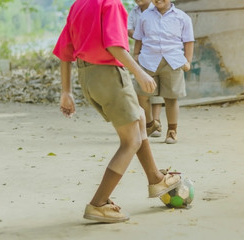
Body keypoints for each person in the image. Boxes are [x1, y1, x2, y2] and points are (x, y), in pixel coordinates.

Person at [53, 0, 181, 223]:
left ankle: (155, 178)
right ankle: (98, 203)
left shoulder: (78, 5)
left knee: (139, 117)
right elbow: (114, 46)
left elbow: (65, 50)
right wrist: (140, 73)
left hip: (88, 77)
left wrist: (67, 91)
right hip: (109, 75)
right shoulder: (110, 4)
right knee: (130, 141)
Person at [133, 0, 194, 144]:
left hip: (172, 61)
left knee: (171, 98)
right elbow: (139, 39)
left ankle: (172, 131)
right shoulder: (145, 16)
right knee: (142, 95)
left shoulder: (182, 17)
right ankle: (150, 124)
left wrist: (188, 61)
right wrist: (136, 54)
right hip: (148, 60)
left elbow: (189, 41)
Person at [128, 0, 164, 138]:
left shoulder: (158, 8)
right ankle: (149, 122)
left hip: (157, 53)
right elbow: (128, 29)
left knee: (157, 91)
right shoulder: (134, 11)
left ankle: (157, 121)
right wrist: (141, 34)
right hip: (142, 53)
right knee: (144, 89)